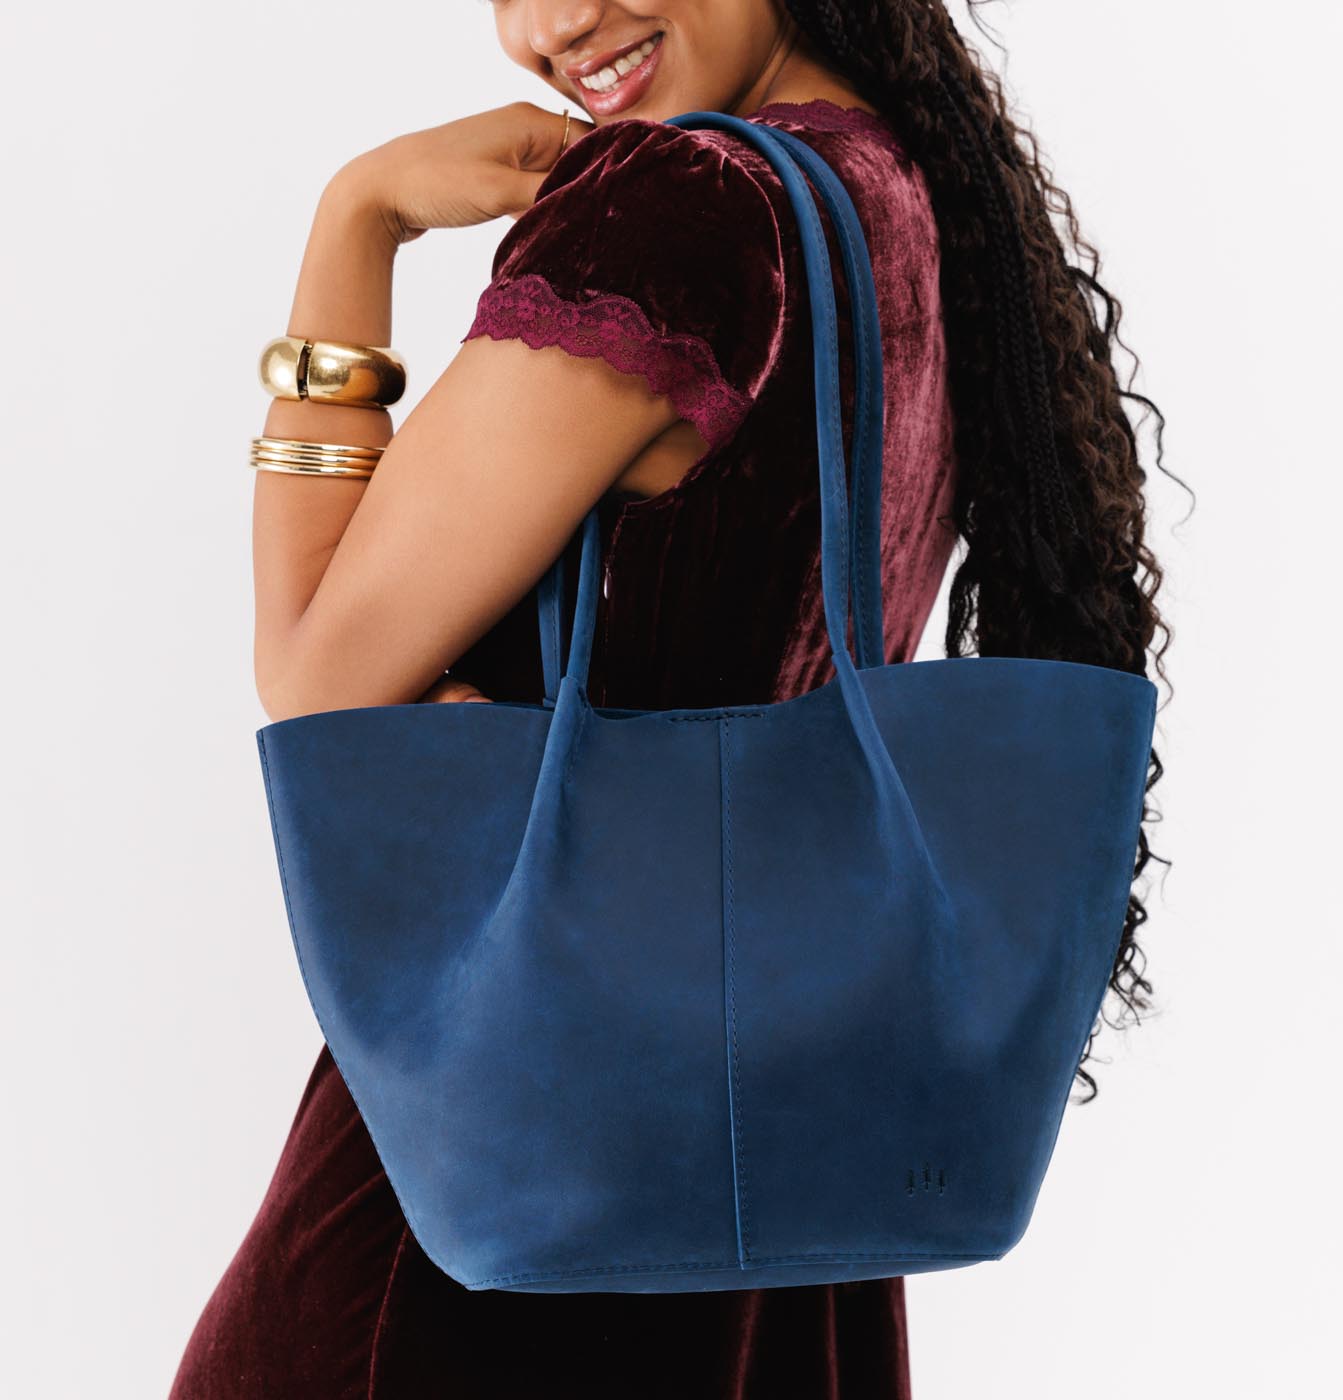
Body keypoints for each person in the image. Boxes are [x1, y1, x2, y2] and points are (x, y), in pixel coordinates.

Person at [171, 1, 1172, 1394]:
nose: (553, 25)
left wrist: (357, 222)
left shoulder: (684, 211)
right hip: (781, 1213)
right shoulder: (901, 185)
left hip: (498, 1204)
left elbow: (315, 674)